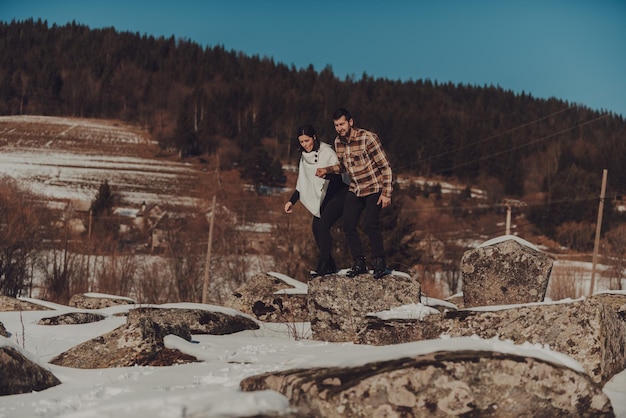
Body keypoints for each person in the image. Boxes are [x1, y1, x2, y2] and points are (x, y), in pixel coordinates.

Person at [316, 108, 393, 279]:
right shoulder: (338, 142)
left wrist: (386, 193)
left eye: (342, 124)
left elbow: (385, 166)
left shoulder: (368, 138)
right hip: (356, 188)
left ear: (350, 122)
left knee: (369, 224)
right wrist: (327, 170)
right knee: (348, 225)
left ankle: (379, 261)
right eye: (336, 125)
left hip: (374, 187)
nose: (339, 128)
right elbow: (344, 166)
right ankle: (359, 263)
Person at [284, 124, 348, 278]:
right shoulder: (304, 158)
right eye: (301, 142)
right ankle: (331, 265)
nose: (305, 144)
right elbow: (303, 183)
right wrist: (292, 201)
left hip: (339, 192)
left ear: (314, 137)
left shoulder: (327, 152)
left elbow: (342, 174)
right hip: (324, 196)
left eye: (307, 140)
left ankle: (324, 263)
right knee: (316, 227)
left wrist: (326, 174)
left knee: (324, 225)